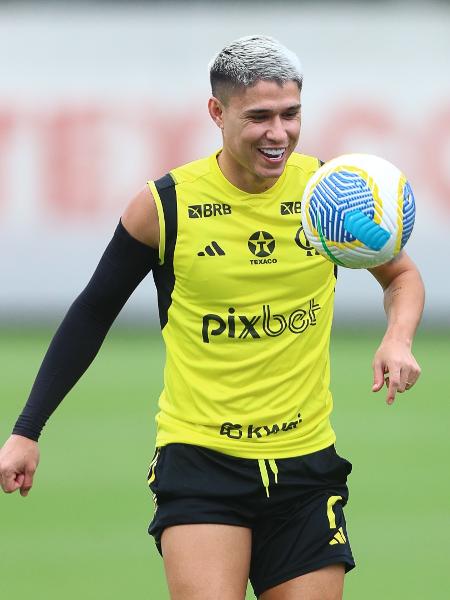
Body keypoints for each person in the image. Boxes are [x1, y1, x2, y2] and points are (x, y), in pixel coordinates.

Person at [0, 35, 424, 600]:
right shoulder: (165, 206)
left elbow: (401, 275)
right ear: (216, 112)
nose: (279, 133)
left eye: (291, 114)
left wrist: (398, 338)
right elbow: (92, 312)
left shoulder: (330, 196)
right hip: (201, 460)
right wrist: (27, 431)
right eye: (260, 117)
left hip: (304, 465)